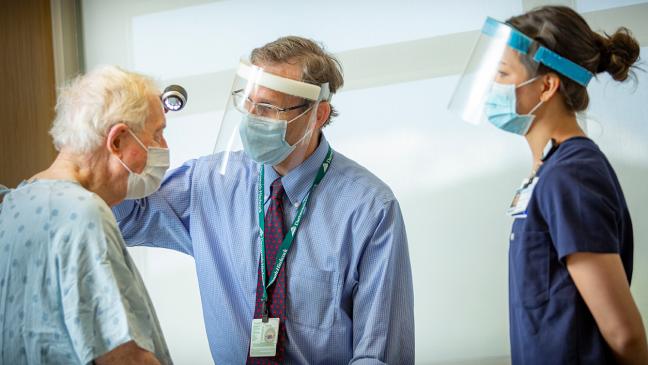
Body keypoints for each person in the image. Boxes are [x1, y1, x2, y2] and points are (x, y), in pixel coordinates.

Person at [113, 36, 415, 364]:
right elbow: (122, 220)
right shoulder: (209, 183)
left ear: (317, 114)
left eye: (268, 107)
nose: (252, 117)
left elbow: (381, 356)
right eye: (248, 103)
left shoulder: (370, 209)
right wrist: (127, 134)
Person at [449, 6, 648, 364]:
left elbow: (625, 334)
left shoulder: (572, 175)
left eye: (503, 73)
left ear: (546, 86)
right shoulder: (550, 171)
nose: (491, 86)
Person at [0, 65, 173, 364]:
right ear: (117, 141)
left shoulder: (14, 203)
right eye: (157, 134)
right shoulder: (82, 214)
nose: (164, 147)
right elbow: (122, 355)